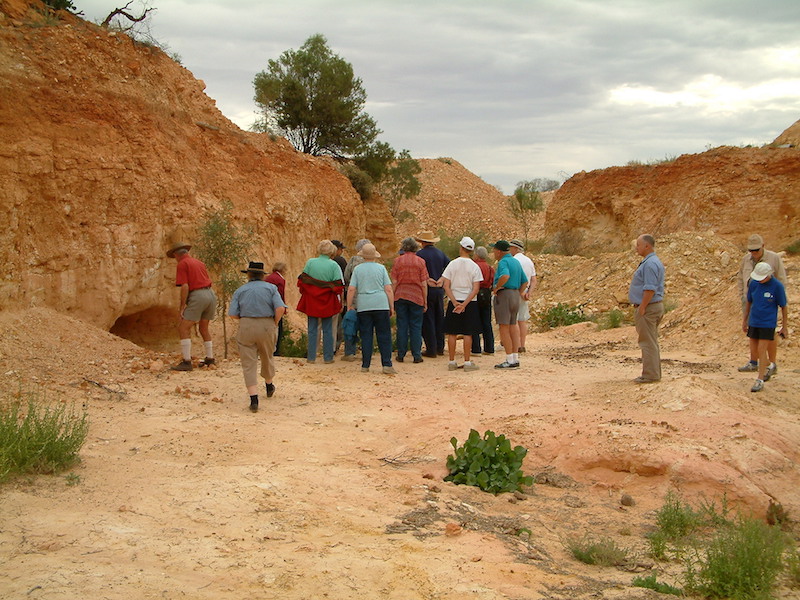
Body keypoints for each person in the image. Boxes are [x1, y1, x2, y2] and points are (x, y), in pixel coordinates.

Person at [228, 262, 287, 412]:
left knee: (248, 363)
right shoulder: (271, 288)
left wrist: (245, 319)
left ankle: (254, 399)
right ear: (262, 275)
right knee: (267, 356)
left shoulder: (240, 290)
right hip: (266, 324)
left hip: (246, 325)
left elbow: (233, 314)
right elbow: (280, 308)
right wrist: (274, 322)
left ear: (248, 275)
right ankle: (269, 385)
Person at [737, 234, 787, 374]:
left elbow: (781, 279)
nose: (753, 253)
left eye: (756, 250)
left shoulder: (774, 258)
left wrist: (776, 297)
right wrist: (742, 295)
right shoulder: (745, 260)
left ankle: (772, 364)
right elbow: (740, 278)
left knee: (769, 332)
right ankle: (753, 362)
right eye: (751, 250)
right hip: (751, 301)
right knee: (752, 331)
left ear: (763, 246)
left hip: (768, 302)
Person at [167, 242, 217, 371]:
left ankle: (186, 361)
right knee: (204, 328)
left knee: (183, 327)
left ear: (176, 254)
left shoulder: (182, 264)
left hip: (198, 295)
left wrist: (182, 306)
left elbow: (185, 286)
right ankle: (210, 358)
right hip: (210, 294)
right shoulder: (199, 263)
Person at [347, 244, 396, 375]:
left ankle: (365, 365)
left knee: (366, 335)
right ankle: (387, 364)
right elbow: (388, 289)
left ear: (363, 256)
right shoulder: (381, 268)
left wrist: (349, 305)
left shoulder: (358, 269)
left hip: (364, 305)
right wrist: (391, 306)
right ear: (375, 255)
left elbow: (351, 289)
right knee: (384, 335)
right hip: (381, 304)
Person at [743, 262, 788, 392]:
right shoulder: (754, 284)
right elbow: (749, 302)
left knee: (762, 349)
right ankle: (770, 365)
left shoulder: (777, 286)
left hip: (767, 323)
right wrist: (745, 320)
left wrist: (784, 326)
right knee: (755, 352)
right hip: (754, 321)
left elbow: (783, 306)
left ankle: (760, 379)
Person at [297, 240, 344, 364]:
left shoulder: (310, 262)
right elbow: (338, 286)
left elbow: (302, 281)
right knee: (328, 329)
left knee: (312, 328)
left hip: (312, 300)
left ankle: (311, 357)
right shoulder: (334, 265)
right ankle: (328, 357)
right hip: (327, 300)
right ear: (331, 251)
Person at [627, 234, 665, 383]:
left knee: (647, 342)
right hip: (652, 306)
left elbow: (650, 288)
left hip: (649, 308)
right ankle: (653, 373)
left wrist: (642, 307)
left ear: (647, 246)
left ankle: (650, 375)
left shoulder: (650, 264)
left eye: (638, 245)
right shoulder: (652, 262)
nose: (636, 248)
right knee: (651, 341)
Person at [442, 237, 483, 371]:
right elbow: (475, 288)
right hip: (469, 302)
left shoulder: (452, 264)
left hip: (454, 300)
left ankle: (451, 361)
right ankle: (467, 362)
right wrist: (464, 304)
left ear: (461, 248)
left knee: (452, 332)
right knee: (468, 333)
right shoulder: (474, 266)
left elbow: (446, 285)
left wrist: (455, 302)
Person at [391, 237, 428, 363]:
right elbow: (424, 283)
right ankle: (416, 355)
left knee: (402, 325)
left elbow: (394, 282)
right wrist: (425, 300)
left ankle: (401, 354)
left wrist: (391, 298)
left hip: (401, 295)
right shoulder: (421, 262)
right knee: (416, 326)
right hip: (417, 296)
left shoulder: (397, 261)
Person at [491, 240, 527, 369]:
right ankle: (515, 357)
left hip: (505, 294)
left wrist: (497, 287)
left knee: (504, 326)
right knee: (513, 325)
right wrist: (519, 292)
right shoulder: (515, 261)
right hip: (515, 294)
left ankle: (509, 359)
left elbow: (505, 276)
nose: (493, 253)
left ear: (499, 251)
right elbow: (525, 281)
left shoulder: (503, 262)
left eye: (494, 250)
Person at [415, 231, 450, 358]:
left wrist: (427, 279)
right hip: (439, 289)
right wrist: (442, 278)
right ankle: (440, 347)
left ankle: (431, 348)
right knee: (439, 317)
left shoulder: (419, 255)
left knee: (428, 319)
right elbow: (450, 266)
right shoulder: (440, 253)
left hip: (427, 289)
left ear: (422, 242)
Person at [341, 238, 372, 361]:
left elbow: (346, 277)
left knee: (350, 325)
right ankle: (366, 352)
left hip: (353, 299)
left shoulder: (353, 260)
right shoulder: (374, 264)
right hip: (368, 300)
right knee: (367, 327)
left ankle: (349, 352)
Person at [509, 239, 537, 353]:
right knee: (522, 320)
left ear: (516, 249)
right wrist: (529, 292)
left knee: (513, 320)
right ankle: (522, 345)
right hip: (525, 292)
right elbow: (533, 279)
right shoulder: (529, 261)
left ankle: (514, 345)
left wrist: (520, 291)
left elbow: (513, 277)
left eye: (511, 247)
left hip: (515, 291)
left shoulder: (514, 261)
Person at [471, 246, 495, 355]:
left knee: (474, 320)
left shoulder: (474, 266)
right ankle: (489, 348)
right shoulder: (490, 268)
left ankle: (476, 348)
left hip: (475, 293)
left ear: (477, 255)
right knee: (486, 321)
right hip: (486, 293)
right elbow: (493, 282)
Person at [265, 262, 287, 355]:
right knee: (278, 329)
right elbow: (280, 295)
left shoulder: (268, 278)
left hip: (266, 307)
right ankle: (276, 351)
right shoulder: (280, 279)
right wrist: (283, 308)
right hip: (276, 307)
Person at [331, 240, 348, 354]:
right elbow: (344, 279)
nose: (342, 251)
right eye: (341, 249)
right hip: (338, 295)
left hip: (326, 296)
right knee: (338, 323)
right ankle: (335, 347)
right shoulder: (340, 261)